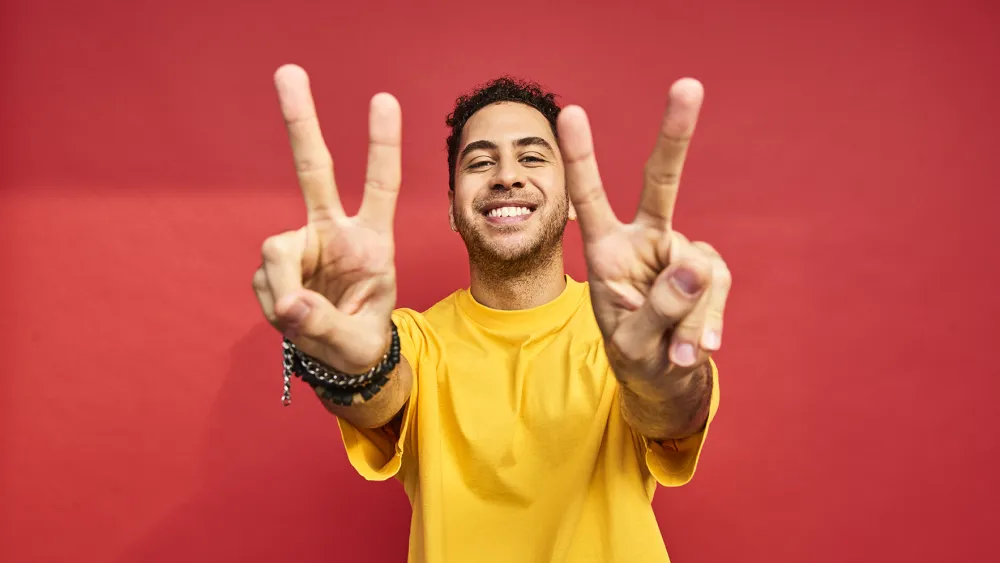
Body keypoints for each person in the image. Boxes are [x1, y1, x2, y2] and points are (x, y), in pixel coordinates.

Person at [252, 64, 731, 563]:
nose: (507, 176)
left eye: (532, 157)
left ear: (571, 199)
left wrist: (661, 373)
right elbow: (380, 394)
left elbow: (675, 410)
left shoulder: (630, 330)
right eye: (480, 163)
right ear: (452, 208)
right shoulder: (413, 341)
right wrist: (355, 369)